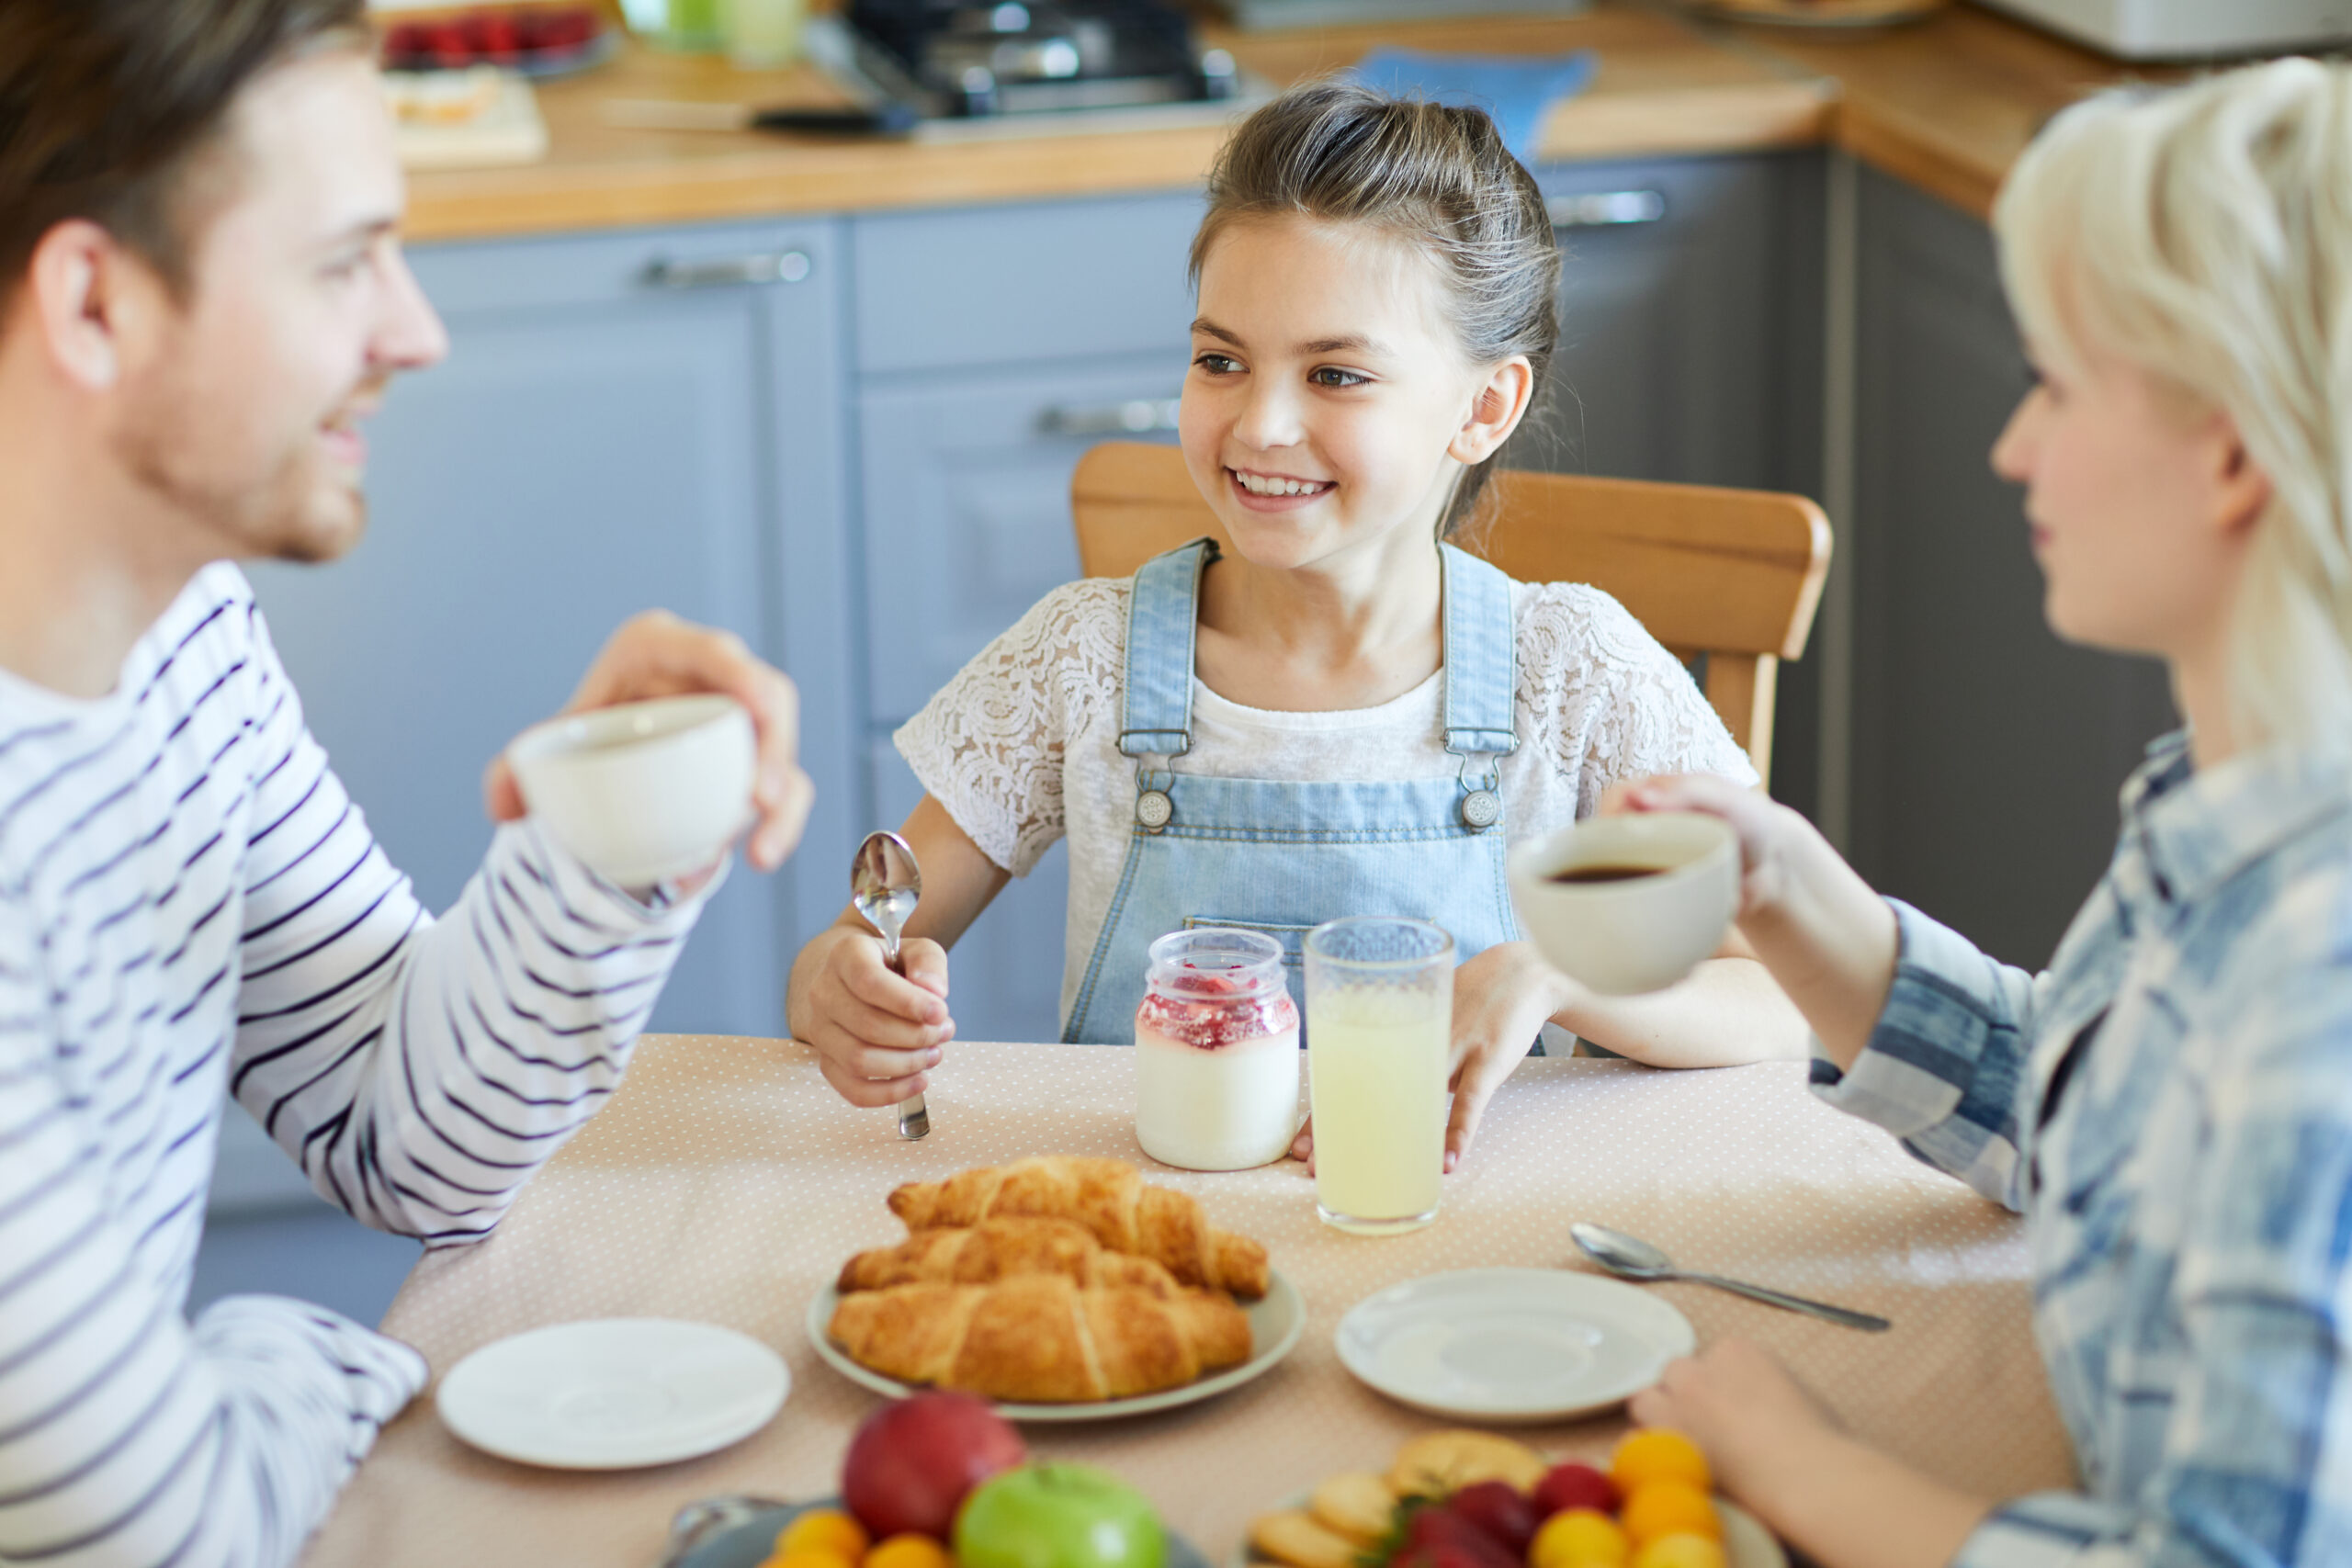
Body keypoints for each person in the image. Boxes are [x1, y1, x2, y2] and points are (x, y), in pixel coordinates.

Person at [0, 3, 813, 1562]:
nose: (414, 330)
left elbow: (405, 1122)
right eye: (340, 263)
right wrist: (321, 1357)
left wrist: (602, 826)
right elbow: (157, 1527)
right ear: (94, 300)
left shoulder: (180, 637)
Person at [1617, 60, 2352, 1568]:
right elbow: (2091, 1121)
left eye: (2059, 385)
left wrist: (1801, 1465)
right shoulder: (2227, 804)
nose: (2013, 444)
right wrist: (1796, 894)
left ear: (2229, 450)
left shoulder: (2317, 981)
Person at [788, 81, 1806, 1167]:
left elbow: (1783, 1000)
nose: (1260, 424)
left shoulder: (1571, 676)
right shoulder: (1079, 659)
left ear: (1484, 407)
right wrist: (839, 994)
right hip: (1147, 1264)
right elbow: (853, 951)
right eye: (1220, 360)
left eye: (1336, 374)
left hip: (1448, 1267)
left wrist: (1555, 973)